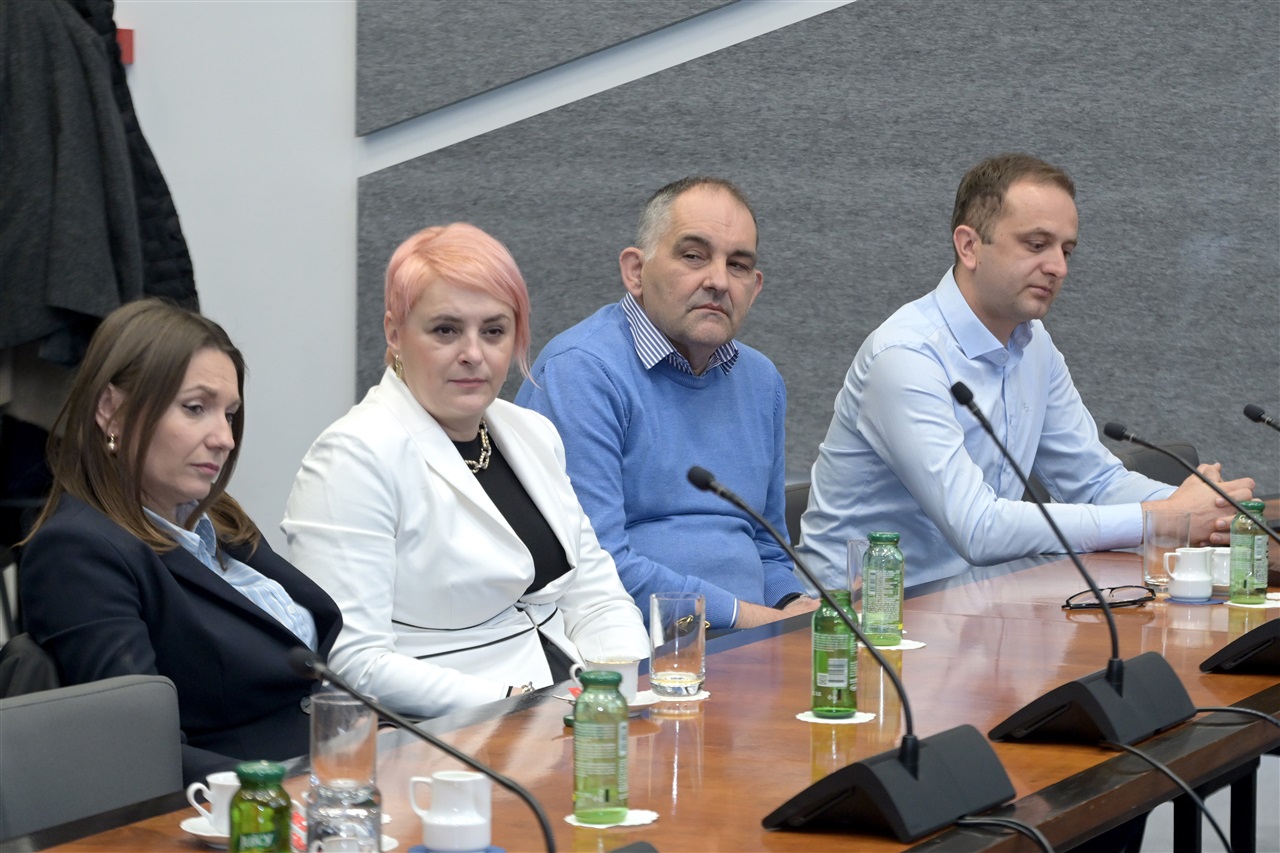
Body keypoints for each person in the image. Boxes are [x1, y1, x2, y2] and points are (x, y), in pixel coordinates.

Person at [798, 153, 1255, 589]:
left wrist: (1206, 508)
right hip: (858, 615)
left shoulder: (1033, 343)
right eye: (1037, 245)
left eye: (1066, 250)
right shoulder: (906, 356)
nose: (1058, 267)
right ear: (970, 246)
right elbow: (978, 527)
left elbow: (1094, 483)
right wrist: (1162, 519)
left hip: (973, 601)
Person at [282, 223, 647, 719]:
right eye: (446, 330)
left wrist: (618, 690)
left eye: (493, 331)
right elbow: (354, 661)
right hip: (449, 731)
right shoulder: (351, 457)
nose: (473, 354)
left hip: (574, 708)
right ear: (394, 332)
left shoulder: (532, 433)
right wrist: (518, 705)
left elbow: (597, 596)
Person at [19, 299, 342, 785]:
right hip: (247, 803)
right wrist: (286, 788)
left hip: (335, 768)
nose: (225, 438)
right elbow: (141, 746)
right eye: (196, 408)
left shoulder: (221, 521)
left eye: (229, 414)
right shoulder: (77, 551)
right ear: (111, 411)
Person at [516, 177, 818, 630]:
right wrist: (748, 618)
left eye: (738, 265)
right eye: (693, 256)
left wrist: (792, 604)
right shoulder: (581, 371)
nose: (718, 281)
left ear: (754, 287)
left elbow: (767, 545)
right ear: (636, 271)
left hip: (753, 641)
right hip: (630, 647)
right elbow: (594, 567)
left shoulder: (762, 382)